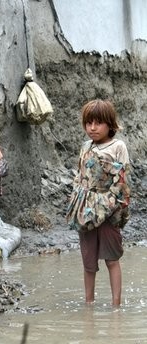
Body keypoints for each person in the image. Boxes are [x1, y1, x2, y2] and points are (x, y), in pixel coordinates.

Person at [66, 99, 131, 306]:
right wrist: (76, 203)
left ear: (110, 124)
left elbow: (121, 183)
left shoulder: (118, 146)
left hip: (109, 212)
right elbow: (80, 177)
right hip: (85, 211)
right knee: (88, 263)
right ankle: (89, 304)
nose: (92, 128)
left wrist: (109, 208)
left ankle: (116, 306)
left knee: (112, 259)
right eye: (88, 123)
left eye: (98, 123)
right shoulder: (86, 146)